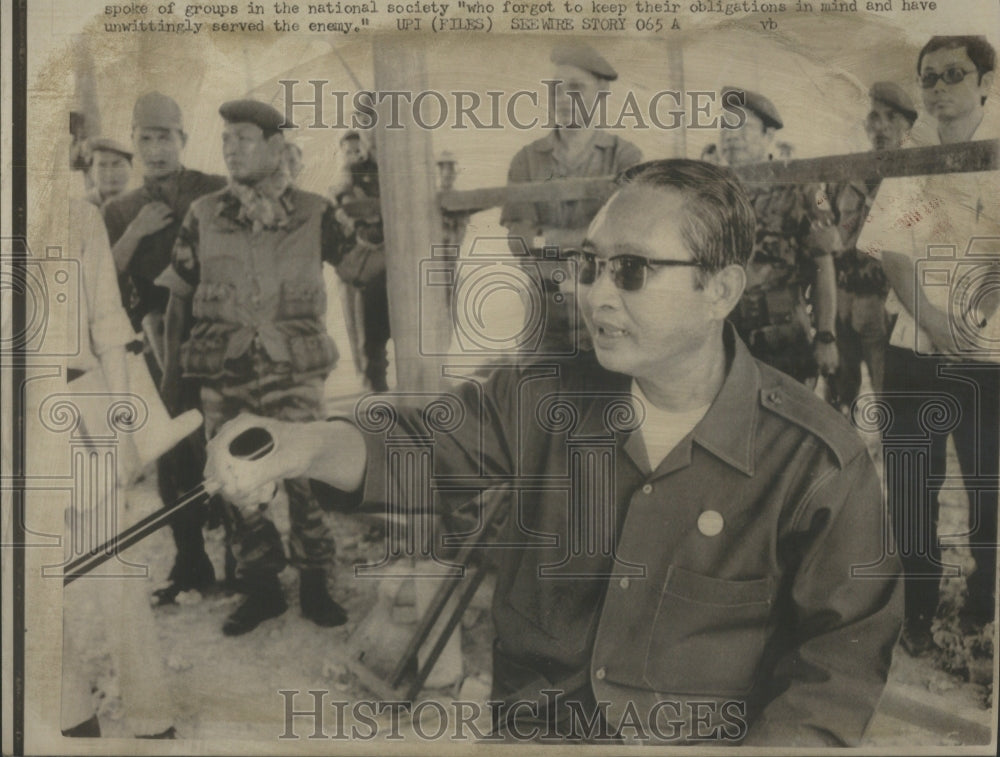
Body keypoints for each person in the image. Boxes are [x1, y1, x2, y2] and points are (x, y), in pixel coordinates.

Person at [206, 159, 902, 745]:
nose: (594, 292)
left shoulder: (816, 461)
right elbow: (407, 447)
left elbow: (835, 673)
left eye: (630, 271)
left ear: (719, 289)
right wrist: (297, 444)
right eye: (591, 265)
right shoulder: (539, 397)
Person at [156, 99, 356, 636]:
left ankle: (316, 579)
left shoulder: (316, 212)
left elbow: (365, 268)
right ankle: (261, 586)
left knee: (306, 476)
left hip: (296, 369)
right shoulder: (203, 214)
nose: (231, 148)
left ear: (274, 145)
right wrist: (173, 379)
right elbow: (179, 297)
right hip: (226, 373)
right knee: (239, 481)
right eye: (225, 140)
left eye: (243, 137)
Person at [857, 35, 999, 655]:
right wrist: (937, 322)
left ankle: (980, 610)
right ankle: (915, 613)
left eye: (954, 75)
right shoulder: (910, 159)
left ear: (986, 82)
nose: (940, 88)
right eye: (930, 79)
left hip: (989, 352)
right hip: (915, 346)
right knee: (912, 486)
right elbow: (891, 249)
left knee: (988, 487)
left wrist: (969, 321)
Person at [57, 198, 175, 739]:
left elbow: (108, 322)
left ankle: (152, 717)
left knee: (114, 566)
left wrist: (124, 424)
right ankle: (68, 714)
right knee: (22, 578)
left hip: (78, 401)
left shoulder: (74, 213)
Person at [102, 92, 226, 606]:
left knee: (228, 439)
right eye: (145, 138)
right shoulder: (120, 209)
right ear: (134, 143)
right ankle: (190, 560)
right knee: (174, 454)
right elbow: (102, 283)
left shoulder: (216, 189)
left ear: (183, 139)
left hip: (221, 334)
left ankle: (248, 563)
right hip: (159, 344)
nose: (155, 149)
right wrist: (133, 233)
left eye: (165, 137)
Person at [501, 42, 642, 354]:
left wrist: (548, 238)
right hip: (545, 308)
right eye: (556, 89)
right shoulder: (526, 161)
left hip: (606, 307)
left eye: (576, 89)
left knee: (610, 396)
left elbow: (625, 237)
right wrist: (588, 241)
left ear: (602, 95)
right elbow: (519, 242)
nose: (564, 99)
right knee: (537, 393)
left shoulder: (625, 157)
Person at [720, 87, 841, 384]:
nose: (731, 136)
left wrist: (826, 336)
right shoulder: (712, 193)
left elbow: (822, 265)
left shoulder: (800, 187)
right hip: (728, 336)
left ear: (768, 136)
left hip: (784, 333)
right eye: (725, 127)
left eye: (742, 127)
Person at [825, 82, 917, 411]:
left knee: (889, 397)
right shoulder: (848, 174)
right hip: (844, 301)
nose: (881, 127)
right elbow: (830, 223)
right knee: (838, 398)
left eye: (892, 118)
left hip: (886, 304)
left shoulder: (916, 175)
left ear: (908, 126)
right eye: (874, 118)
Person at [331, 130, 390, 392]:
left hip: (394, 253)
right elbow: (346, 206)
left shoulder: (396, 167)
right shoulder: (353, 171)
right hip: (363, 256)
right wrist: (376, 210)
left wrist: (373, 210)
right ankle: (368, 379)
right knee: (360, 325)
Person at [81, 137, 133, 209]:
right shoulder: (82, 206)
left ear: (131, 166)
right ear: (91, 171)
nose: (110, 173)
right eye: (102, 166)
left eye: (117, 165)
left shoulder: (143, 204)